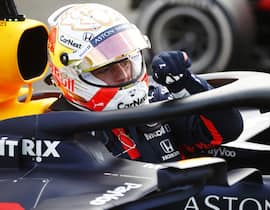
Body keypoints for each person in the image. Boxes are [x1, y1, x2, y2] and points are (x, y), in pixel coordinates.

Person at [47, 3, 243, 163]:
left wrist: (186, 84)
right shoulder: (57, 136)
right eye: (105, 69)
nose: (123, 75)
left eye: (126, 61)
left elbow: (229, 129)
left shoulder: (155, 101)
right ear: (68, 75)